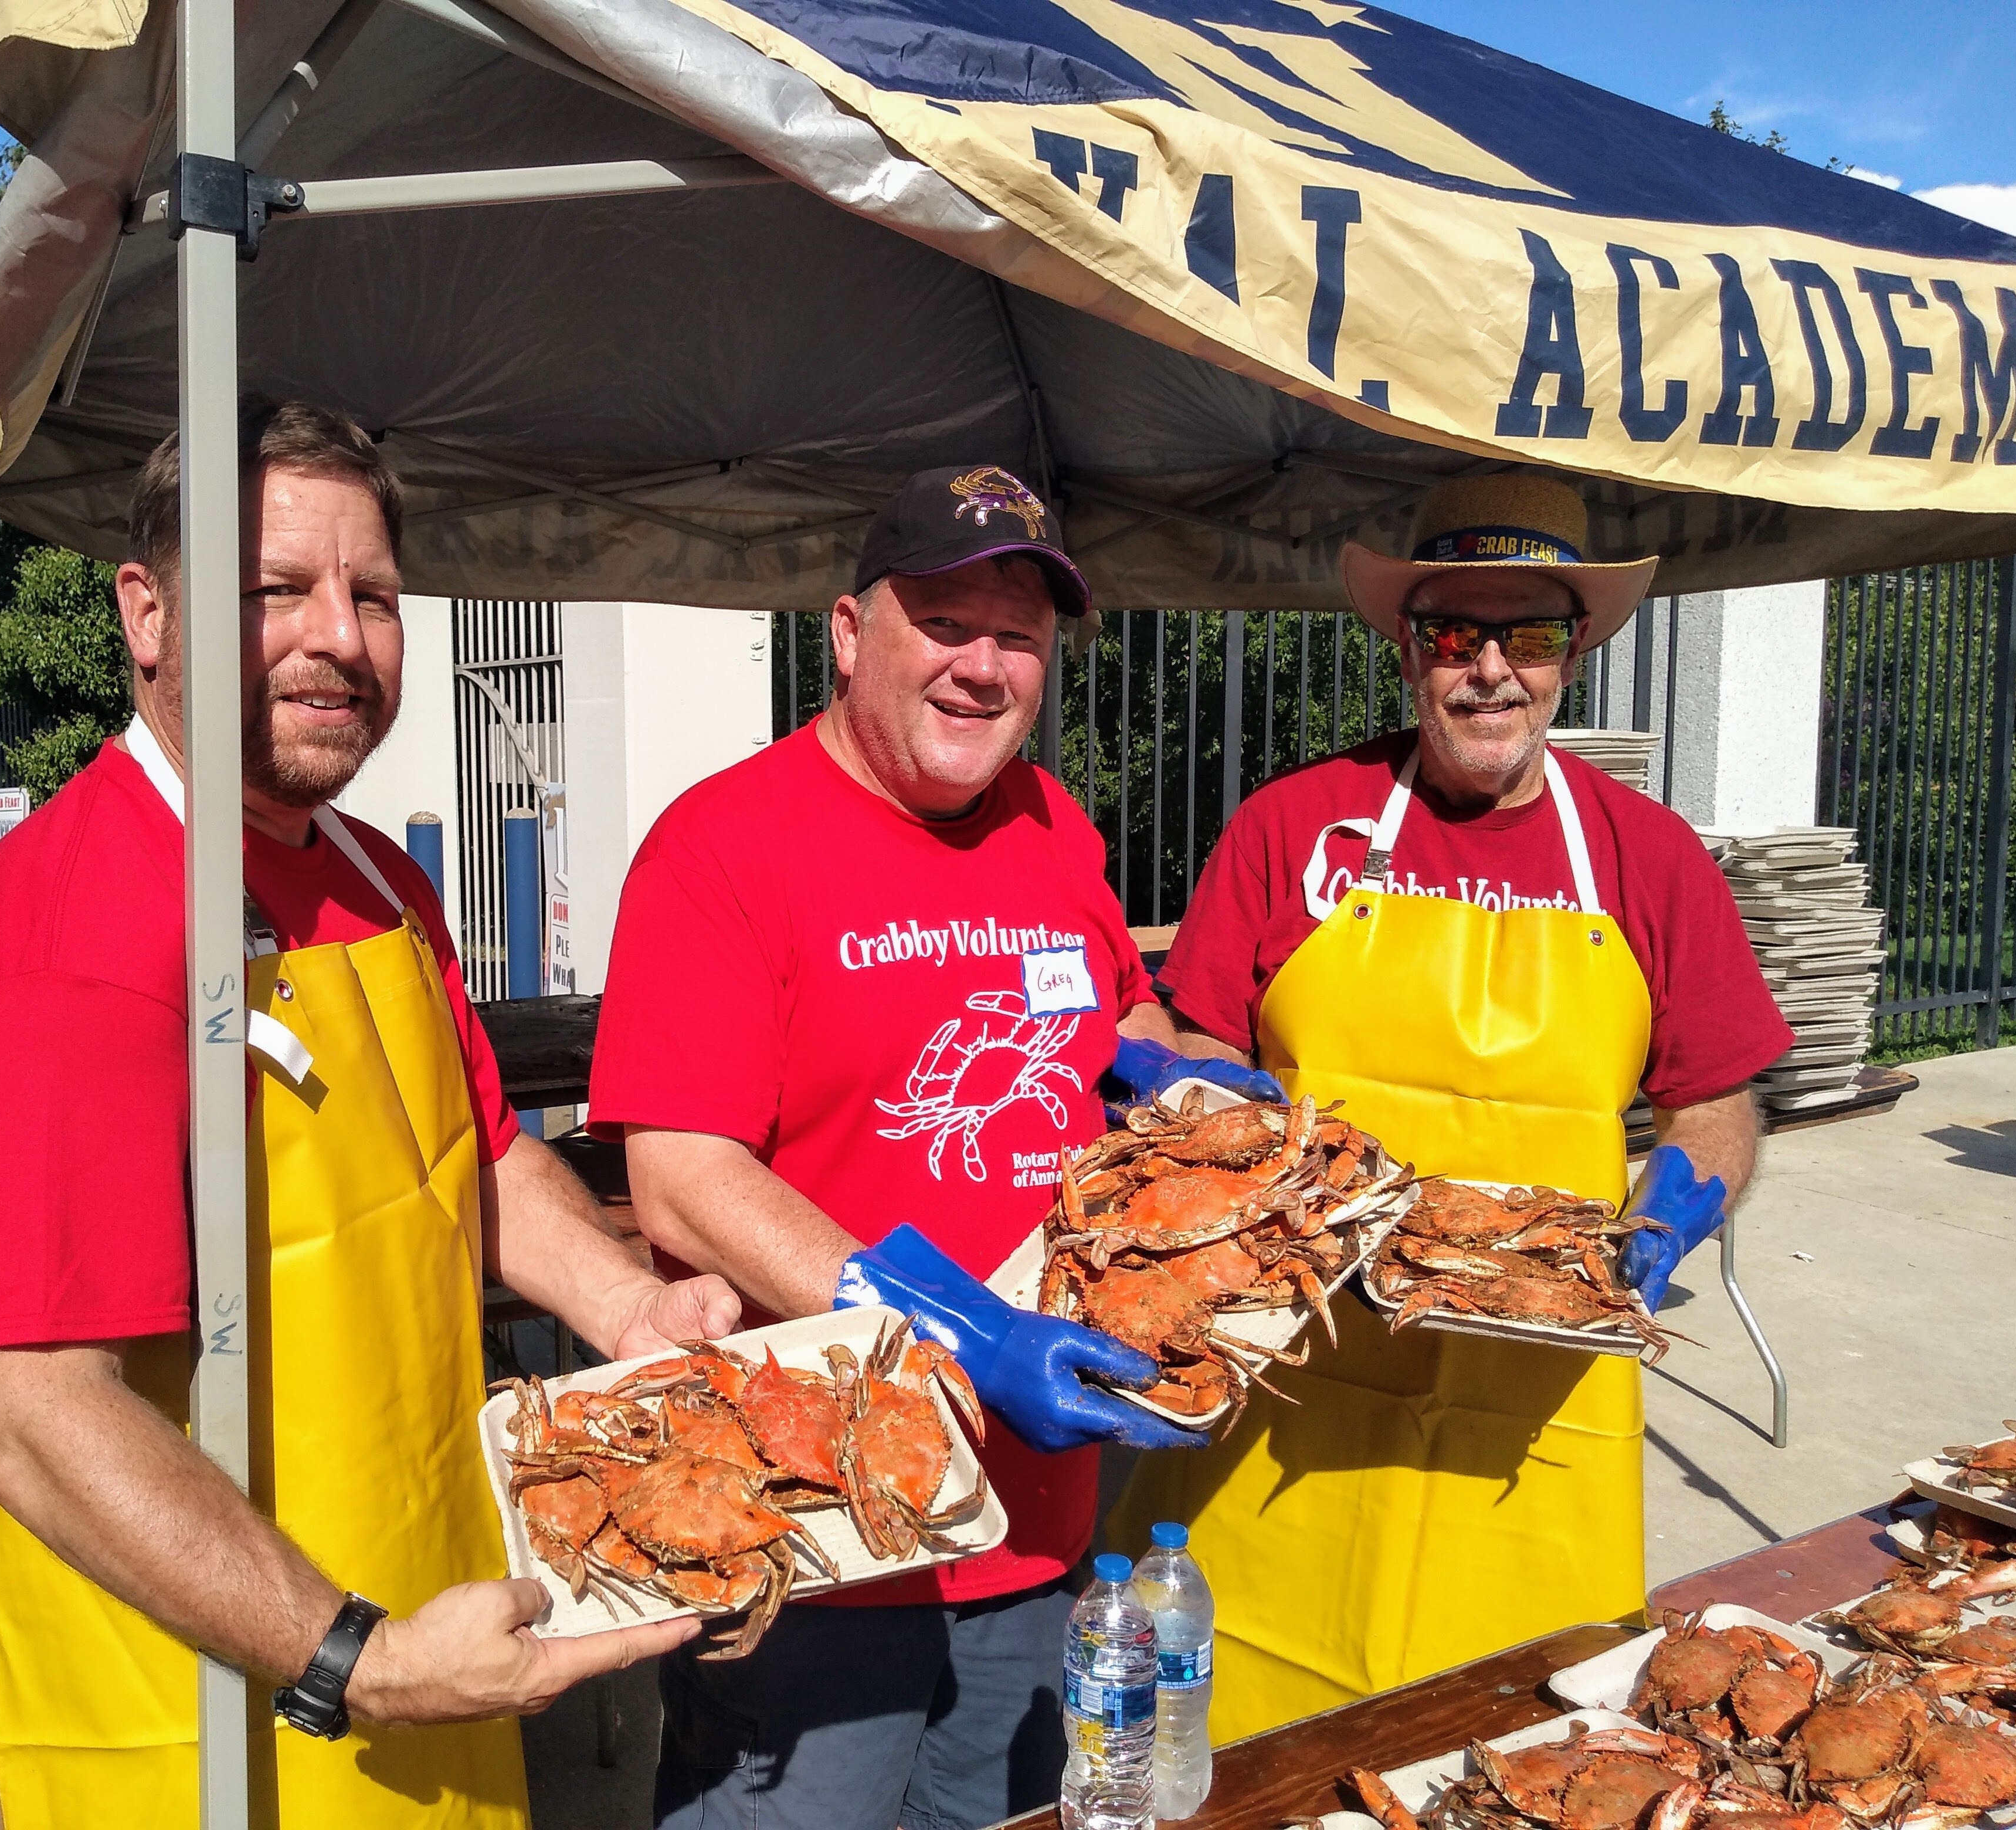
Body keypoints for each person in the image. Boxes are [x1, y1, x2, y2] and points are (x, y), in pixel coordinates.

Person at [0, 401, 739, 1830]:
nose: (338, 638)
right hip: (213, 1731)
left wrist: (626, 1311)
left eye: (373, 597)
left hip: (443, 1658)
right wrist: (352, 1656)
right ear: (148, 613)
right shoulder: (76, 923)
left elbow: (471, 1157)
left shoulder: (372, 876)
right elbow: (26, 1412)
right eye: (274, 590)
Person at [1114, 473, 1793, 1741]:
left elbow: (1713, 1099)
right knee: (1239, 1740)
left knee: (1517, 1739)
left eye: (1528, 635)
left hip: (1535, 1398)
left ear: (1574, 652)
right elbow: (1200, 1036)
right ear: (1409, 651)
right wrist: (1211, 1105)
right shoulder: (1291, 827)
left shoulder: (1651, 859)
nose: (1491, 671)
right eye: (1453, 636)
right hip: (1289, 1365)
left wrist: (1677, 1208)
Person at [586, 464, 1204, 1830]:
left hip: (1033, 1524)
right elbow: (681, 1173)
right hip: (812, 1535)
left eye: (1019, 637)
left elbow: (1119, 1015)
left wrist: (1186, 1078)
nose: (984, 667)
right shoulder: (723, 845)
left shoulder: (1051, 826)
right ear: (849, 633)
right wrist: (957, 1331)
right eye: (944, 620)